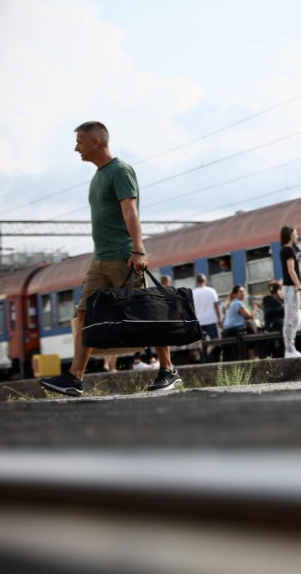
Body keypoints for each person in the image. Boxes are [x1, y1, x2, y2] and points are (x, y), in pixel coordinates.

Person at [39, 121, 180, 396]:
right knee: (84, 313)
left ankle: (168, 370)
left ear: (95, 142)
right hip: (100, 259)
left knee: (145, 313)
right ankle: (74, 378)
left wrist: (138, 250)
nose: (76, 148)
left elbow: (130, 211)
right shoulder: (98, 176)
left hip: (123, 257)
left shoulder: (120, 171)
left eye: (79, 142)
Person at [280, 225, 301, 358]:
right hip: (291, 288)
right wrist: (300, 288)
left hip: (290, 288)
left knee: (292, 318)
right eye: (295, 233)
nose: (297, 236)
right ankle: (290, 350)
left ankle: (290, 349)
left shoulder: (285, 250)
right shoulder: (288, 250)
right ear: (290, 235)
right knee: (291, 319)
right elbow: (291, 270)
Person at [193, 273, 222, 340]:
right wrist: (219, 318)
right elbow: (216, 306)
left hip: (199, 321)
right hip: (211, 320)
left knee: (201, 342)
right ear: (205, 280)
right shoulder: (211, 291)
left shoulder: (193, 293)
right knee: (215, 340)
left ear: (197, 281)